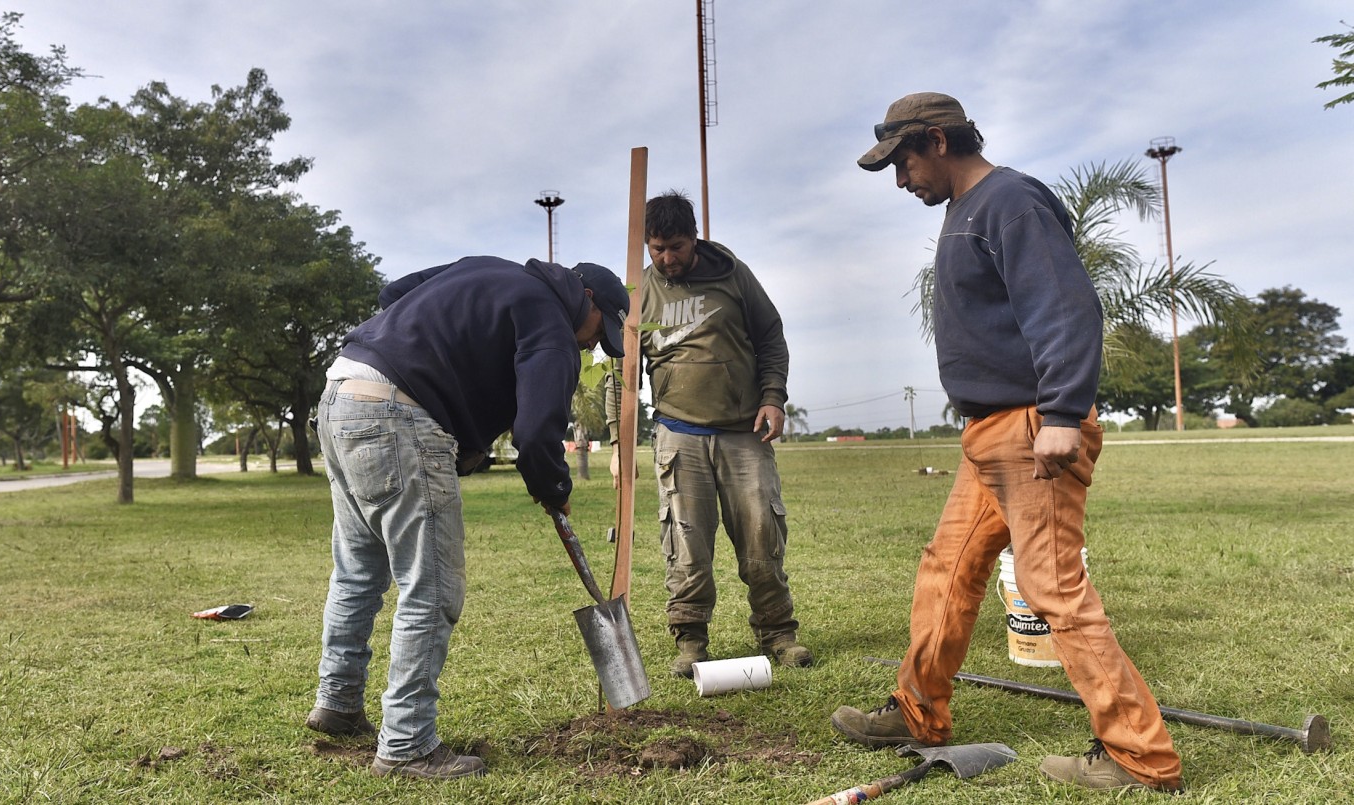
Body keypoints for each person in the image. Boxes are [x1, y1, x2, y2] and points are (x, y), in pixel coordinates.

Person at [829, 93, 1184, 793]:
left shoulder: (1009, 200)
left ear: (937, 139)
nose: (900, 180)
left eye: (902, 162)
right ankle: (917, 710)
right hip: (991, 431)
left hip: (1031, 427)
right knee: (949, 565)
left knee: (1053, 588)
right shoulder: (968, 211)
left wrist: (1060, 411)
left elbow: (1064, 304)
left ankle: (1142, 755)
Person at [305, 256, 629, 781]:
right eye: (600, 332)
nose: (593, 345)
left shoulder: (487, 270)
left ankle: (338, 701)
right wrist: (554, 488)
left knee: (358, 571)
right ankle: (407, 744)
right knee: (431, 585)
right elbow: (535, 434)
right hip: (396, 415)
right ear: (586, 298)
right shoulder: (552, 318)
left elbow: (394, 294)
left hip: (341, 396)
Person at [606, 190, 811, 678]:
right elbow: (621, 371)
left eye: (676, 246)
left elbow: (770, 337)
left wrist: (773, 397)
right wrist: (618, 443)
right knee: (686, 543)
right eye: (656, 248)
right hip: (678, 435)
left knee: (762, 536)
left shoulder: (733, 275)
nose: (667, 258)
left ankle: (779, 633)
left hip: (744, 434)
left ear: (694, 237)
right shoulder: (638, 296)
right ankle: (691, 640)